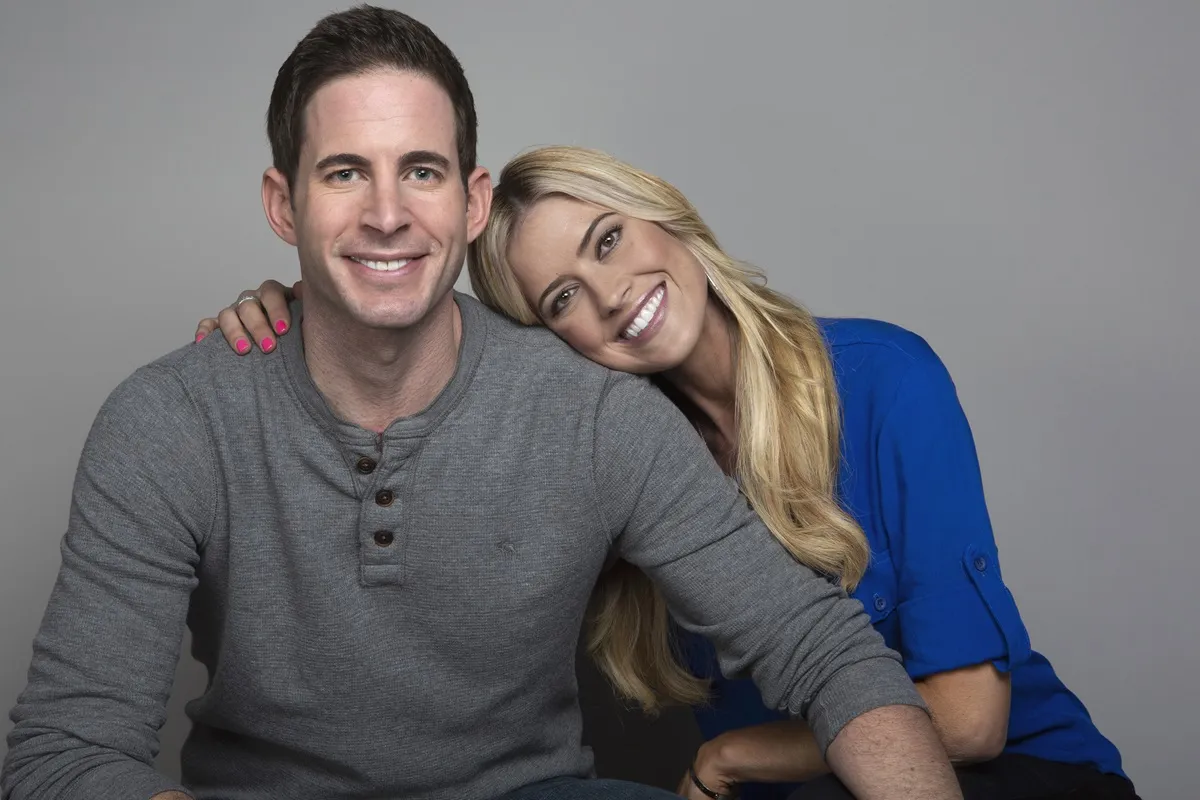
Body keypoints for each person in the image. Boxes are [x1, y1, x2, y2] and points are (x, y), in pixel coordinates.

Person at [1, 7, 966, 800]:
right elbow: (63, 757)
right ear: (283, 205)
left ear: (469, 204)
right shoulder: (169, 421)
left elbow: (821, 648)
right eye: (345, 173)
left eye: (419, 170)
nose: (387, 212)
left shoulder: (594, 413)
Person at [201, 143, 1141, 800]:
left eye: (607, 240)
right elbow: (428, 439)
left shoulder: (886, 379)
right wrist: (317, 320)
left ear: (665, 218)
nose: (611, 296)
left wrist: (737, 756)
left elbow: (970, 721)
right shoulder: (612, 455)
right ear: (550, 343)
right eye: (564, 297)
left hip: (1024, 779)